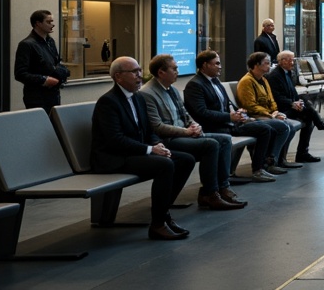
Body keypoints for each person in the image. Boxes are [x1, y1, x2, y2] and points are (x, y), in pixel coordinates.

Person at [91, 57, 196, 241]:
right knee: (165, 165)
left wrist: (157, 144)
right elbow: (115, 140)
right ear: (118, 77)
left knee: (185, 159)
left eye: (139, 71)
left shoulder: (138, 97)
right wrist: (149, 150)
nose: (140, 76)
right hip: (114, 157)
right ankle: (157, 224)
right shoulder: (108, 102)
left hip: (133, 152)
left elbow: (148, 130)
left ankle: (163, 213)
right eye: (134, 72)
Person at [140, 54, 244, 210]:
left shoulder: (172, 89)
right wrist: (186, 132)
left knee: (224, 139)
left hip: (185, 134)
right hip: (168, 140)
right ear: (161, 72)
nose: (177, 71)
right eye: (174, 68)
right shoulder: (148, 93)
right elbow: (157, 126)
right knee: (210, 144)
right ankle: (209, 193)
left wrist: (195, 125)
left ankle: (223, 187)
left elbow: (186, 114)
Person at [183, 49, 287, 181]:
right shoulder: (195, 85)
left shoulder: (215, 81)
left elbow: (228, 103)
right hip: (216, 127)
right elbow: (202, 113)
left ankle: (260, 168)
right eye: (216, 63)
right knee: (265, 128)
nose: (220, 66)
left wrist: (238, 111)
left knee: (266, 129)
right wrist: (229, 117)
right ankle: (239, 174)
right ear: (205, 65)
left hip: (231, 122)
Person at [236, 52, 302, 171]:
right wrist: (271, 115)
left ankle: (277, 159)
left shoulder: (264, 80)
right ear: (256, 65)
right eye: (266, 63)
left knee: (290, 127)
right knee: (282, 126)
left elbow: (271, 100)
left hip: (267, 114)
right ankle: (270, 161)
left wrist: (275, 112)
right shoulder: (247, 82)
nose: (269, 66)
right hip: (254, 116)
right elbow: (250, 106)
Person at [270, 50, 324, 163]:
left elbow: (292, 92)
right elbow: (277, 97)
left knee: (307, 113)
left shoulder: (287, 73)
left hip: (289, 105)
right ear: (282, 61)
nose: (293, 63)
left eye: (293, 60)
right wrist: (292, 104)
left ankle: (303, 153)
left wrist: (297, 102)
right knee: (308, 114)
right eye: (290, 60)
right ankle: (319, 124)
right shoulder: (275, 76)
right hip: (281, 109)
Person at [14, 9, 70, 110]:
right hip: (37, 97)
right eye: (48, 22)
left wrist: (62, 72)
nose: (52, 25)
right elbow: (20, 74)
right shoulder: (27, 45)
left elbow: (56, 62)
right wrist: (44, 80)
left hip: (53, 94)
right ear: (38, 24)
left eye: (52, 21)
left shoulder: (50, 41)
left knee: (54, 122)